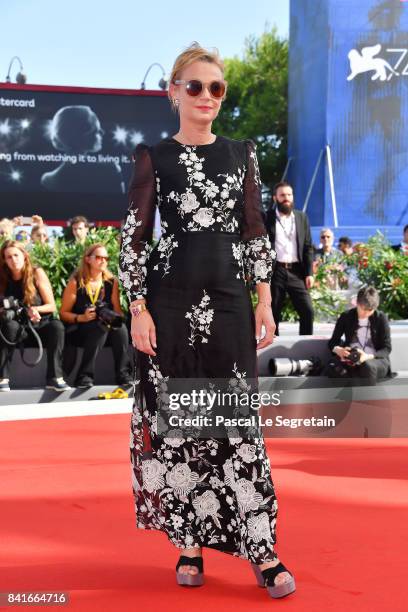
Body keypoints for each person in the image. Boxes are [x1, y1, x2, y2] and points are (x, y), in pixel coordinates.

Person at [118, 42, 295, 600]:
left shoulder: (242, 153)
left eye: (216, 88)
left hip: (229, 303)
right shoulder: (154, 157)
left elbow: (253, 231)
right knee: (184, 426)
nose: (207, 97)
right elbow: (134, 240)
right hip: (169, 304)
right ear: (174, 93)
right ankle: (189, 543)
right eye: (194, 86)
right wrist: (139, 310)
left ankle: (261, 549)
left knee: (238, 427)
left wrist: (265, 299)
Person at [60, 243, 132, 389]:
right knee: (100, 328)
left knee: (121, 328)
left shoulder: (111, 282)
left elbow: (117, 311)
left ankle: (124, 374)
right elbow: (63, 313)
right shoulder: (76, 282)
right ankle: (84, 376)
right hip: (80, 328)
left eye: (106, 258)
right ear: (88, 259)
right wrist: (81, 317)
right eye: (99, 257)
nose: (103, 261)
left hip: (103, 327)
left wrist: (110, 315)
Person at [0, 240, 70, 392]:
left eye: (16, 255)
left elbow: (51, 305)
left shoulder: (37, 273)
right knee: (9, 326)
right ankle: (2, 378)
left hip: (39, 325)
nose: (13, 260)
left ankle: (55, 378)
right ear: (4, 260)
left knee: (56, 326)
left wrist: (35, 309)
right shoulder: (3, 278)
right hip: (17, 329)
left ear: (24, 256)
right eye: (9, 257)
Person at [264, 181, 314, 335]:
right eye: (282, 195)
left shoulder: (301, 217)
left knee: (308, 311)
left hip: (296, 272)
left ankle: (306, 350)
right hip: (276, 270)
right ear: (275, 198)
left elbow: (308, 247)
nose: (286, 198)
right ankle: (271, 349)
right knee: (274, 313)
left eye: (289, 195)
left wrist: (309, 273)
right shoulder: (267, 217)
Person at [327, 286, 392, 385]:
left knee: (367, 367)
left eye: (370, 310)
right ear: (357, 303)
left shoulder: (381, 318)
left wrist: (367, 356)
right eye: (363, 309)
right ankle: (346, 397)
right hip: (351, 359)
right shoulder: (346, 316)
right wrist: (338, 350)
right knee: (332, 366)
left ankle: (366, 398)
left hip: (374, 360)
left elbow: (387, 348)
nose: (366, 313)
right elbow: (333, 342)